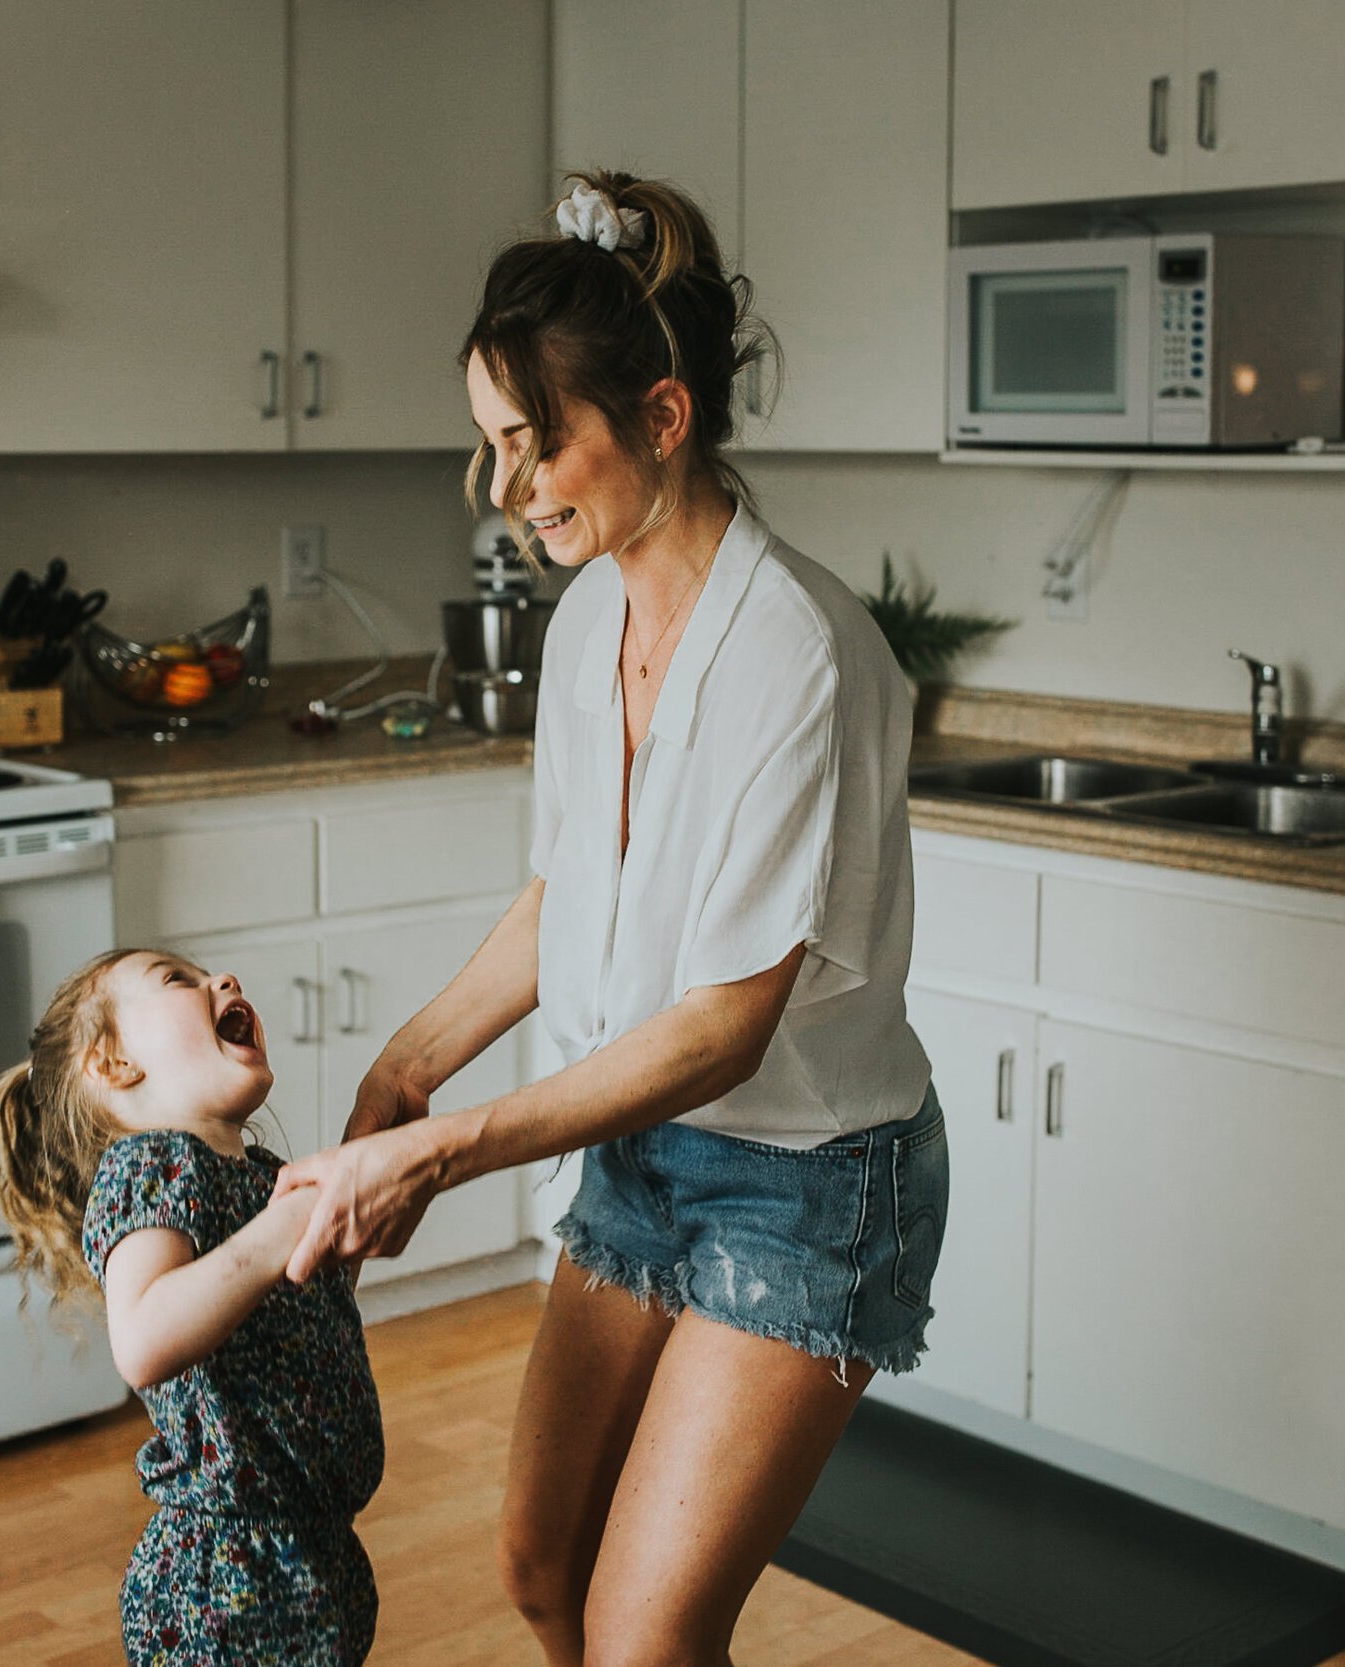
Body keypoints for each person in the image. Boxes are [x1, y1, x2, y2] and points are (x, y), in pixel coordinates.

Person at [273, 171, 948, 1666]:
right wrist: (412, 1059)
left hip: (806, 1175)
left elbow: (723, 1025)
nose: (514, 487)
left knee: (649, 1636)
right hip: (643, 1156)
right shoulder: (588, 621)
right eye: (497, 446)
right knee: (539, 1564)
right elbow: (571, 881)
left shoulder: (801, 652)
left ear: (661, 415)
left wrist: (442, 1145)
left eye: (539, 441)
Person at [0, 948, 383, 1667]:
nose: (223, 979)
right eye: (177, 979)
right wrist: (287, 1227)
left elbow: (289, 1321)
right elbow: (144, 1337)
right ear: (113, 1063)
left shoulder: (258, 1176)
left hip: (314, 1550)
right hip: (225, 1580)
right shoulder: (151, 1168)